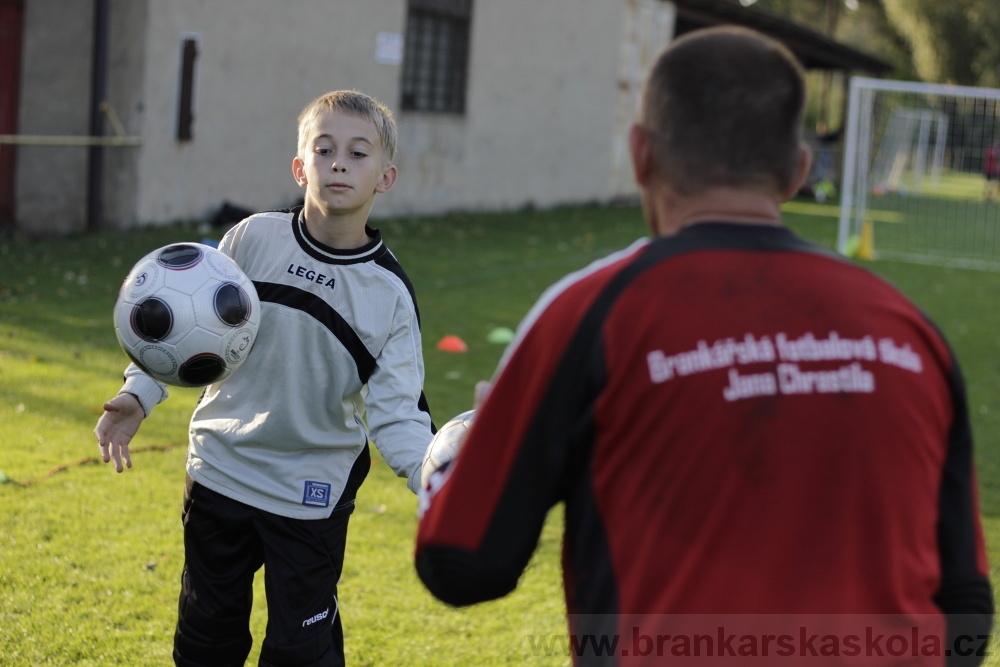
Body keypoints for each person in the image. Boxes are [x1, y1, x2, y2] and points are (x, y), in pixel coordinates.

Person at [415, 27, 993, 665]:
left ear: (641, 156)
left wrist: (458, 455)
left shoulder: (591, 314)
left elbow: (462, 562)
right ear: (798, 170)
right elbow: (966, 602)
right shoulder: (910, 330)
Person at [95, 90, 434, 667]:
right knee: (206, 642)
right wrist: (138, 392)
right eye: (324, 150)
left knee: (301, 654)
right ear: (301, 167)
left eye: (358, 153)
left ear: (386, 177)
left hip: (310, 498)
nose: (339, 164)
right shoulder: (251, 241)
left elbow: (399, 414)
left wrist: (436, 477)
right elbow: (179, 330)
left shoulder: (388, 296)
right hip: (220, 474)